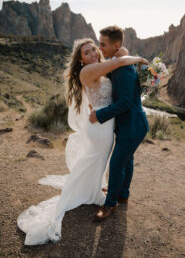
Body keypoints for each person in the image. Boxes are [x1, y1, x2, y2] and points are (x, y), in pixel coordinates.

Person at [17, 37, 148, 245]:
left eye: (93, 50)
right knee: (97, 160)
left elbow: (113, 74)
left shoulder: (98, 67)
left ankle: (93, 189)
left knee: (97, 161)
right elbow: (119, 61)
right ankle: (76, 193)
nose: (92, 54)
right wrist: (140, 59)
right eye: (86, 53)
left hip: (104, 122)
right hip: (100, 127)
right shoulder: (87, 71)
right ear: (80, 59)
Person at [89, 26, 149, 220]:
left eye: (103, 45)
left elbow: (124, 103)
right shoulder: (118, 64)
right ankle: (122, 194)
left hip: (132, 127)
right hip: (129, 125)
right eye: (99, 44)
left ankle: (110, 204)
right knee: (127, 160)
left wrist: (99, 115)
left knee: (115, 165)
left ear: (116, 45)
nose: (100, 48)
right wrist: (119, 57)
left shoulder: (124, 70)